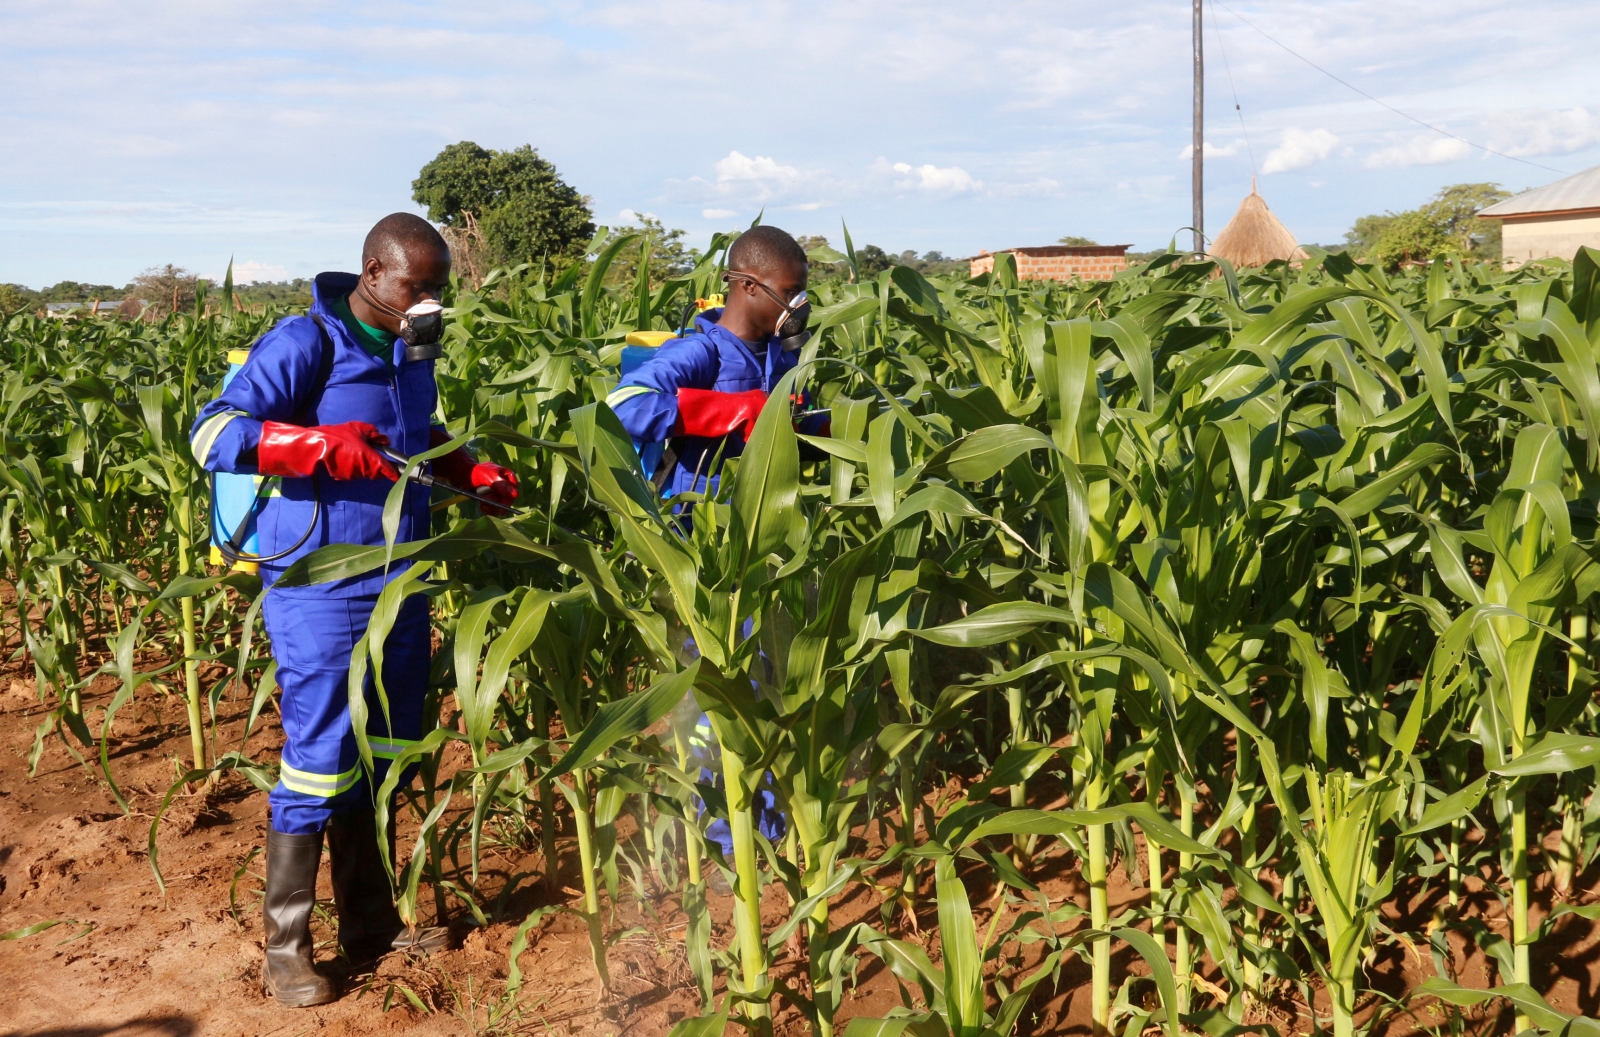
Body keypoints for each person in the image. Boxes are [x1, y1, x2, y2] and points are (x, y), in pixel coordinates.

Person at [190, 213, 517, 1008]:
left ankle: (370, 922)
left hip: (400, 580)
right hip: (320, 582)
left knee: (382, 750)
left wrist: (466, 469)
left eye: (440, 288)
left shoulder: (412, 349)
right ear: (373, 272)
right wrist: (317, 446)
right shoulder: (306, 342)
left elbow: (416, 433)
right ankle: (287, 947)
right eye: (418, 286)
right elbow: (213, 433)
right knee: (320, 753)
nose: (430, 301)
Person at [606, 225, 821, 864]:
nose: (797, 307)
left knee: (776, 676)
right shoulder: (701, 353)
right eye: (789, 293)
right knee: (718, 687)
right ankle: (724, 833)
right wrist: (727, 416)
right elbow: (623, 406)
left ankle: (773, 824)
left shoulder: (782, 357)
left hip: (772, 542)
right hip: (710, 550)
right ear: (748, 286)